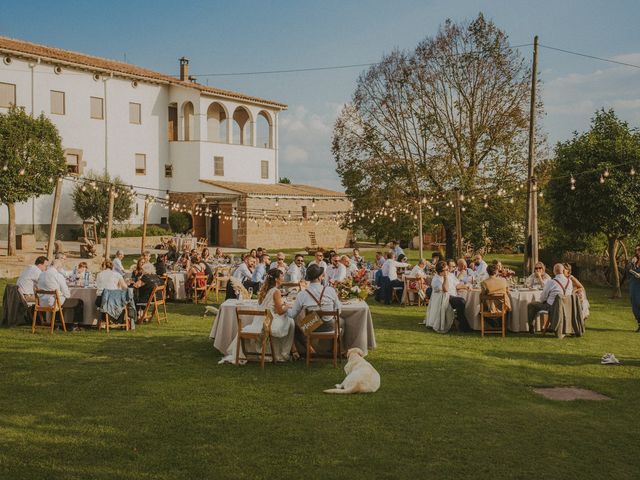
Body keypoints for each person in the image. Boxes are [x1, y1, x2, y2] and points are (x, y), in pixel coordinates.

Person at [219, 269, 297, 364]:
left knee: (289, 321)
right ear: (276, 279)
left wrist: (281, 305)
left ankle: (291, 351)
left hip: (260, 321)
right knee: (291, 321)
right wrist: (287, 307)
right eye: (282, 276)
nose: (283, 278)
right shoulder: (276, 291)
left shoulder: (265, 290)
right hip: (268, 323)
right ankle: (284, 352)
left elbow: (271, 307)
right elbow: (280, 311)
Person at [288, 264, 342, 352]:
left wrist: (285, 308)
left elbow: (292, 314)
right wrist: (332, 317)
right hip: (329, 326)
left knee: (296, 329)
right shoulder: (330, 290)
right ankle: (335, 350)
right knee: (342, 322)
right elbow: (338, 310)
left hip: (311, 326)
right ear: (320, 277)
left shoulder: (302, 294)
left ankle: (310, 349)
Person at [527, 263, 574, 333]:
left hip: (551, 307)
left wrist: (542, 301)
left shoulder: (551, 282)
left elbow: (543, 296)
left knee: (531, 305)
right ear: (563, 270)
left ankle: (531, 326)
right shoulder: (569, 281)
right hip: (566, 306)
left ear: (554, 271)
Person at [37, 259, 84, 324]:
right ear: (58, 267)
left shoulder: (41, 274)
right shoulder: (58, 275)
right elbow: (67, 294)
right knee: (78, 302)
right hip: (53, 302)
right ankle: (71, 325)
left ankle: (51, 323)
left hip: (42, 302)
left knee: (61, 299)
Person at [424, 261, 454, 333]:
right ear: (440, 272)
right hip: (442, 300)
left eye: (447, 269)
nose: (448, 271)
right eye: (446, 270)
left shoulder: (447, 275)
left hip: (451, 295)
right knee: (461, 302)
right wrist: (446, 277)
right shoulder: (436, 280)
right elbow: (446, 289)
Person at [445, 262, 471, 331]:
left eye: (454, 266)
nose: (454, 268)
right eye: (452, 266)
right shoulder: (442, 275)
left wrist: (466, 286)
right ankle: (463, 325)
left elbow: (457, 285)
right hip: (447, 297)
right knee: (461, 301)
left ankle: (463, 324)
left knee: (464, 301)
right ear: (447, 266)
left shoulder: (451, 275)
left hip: (454, 295)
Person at [628, 244, 640, 332]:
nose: (637, 251)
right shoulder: (634, 260)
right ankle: (639, 322)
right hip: (634, 283)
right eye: (636, 250)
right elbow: (628, 268)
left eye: (639, 250)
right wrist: (631, 268)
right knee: (634, 301)